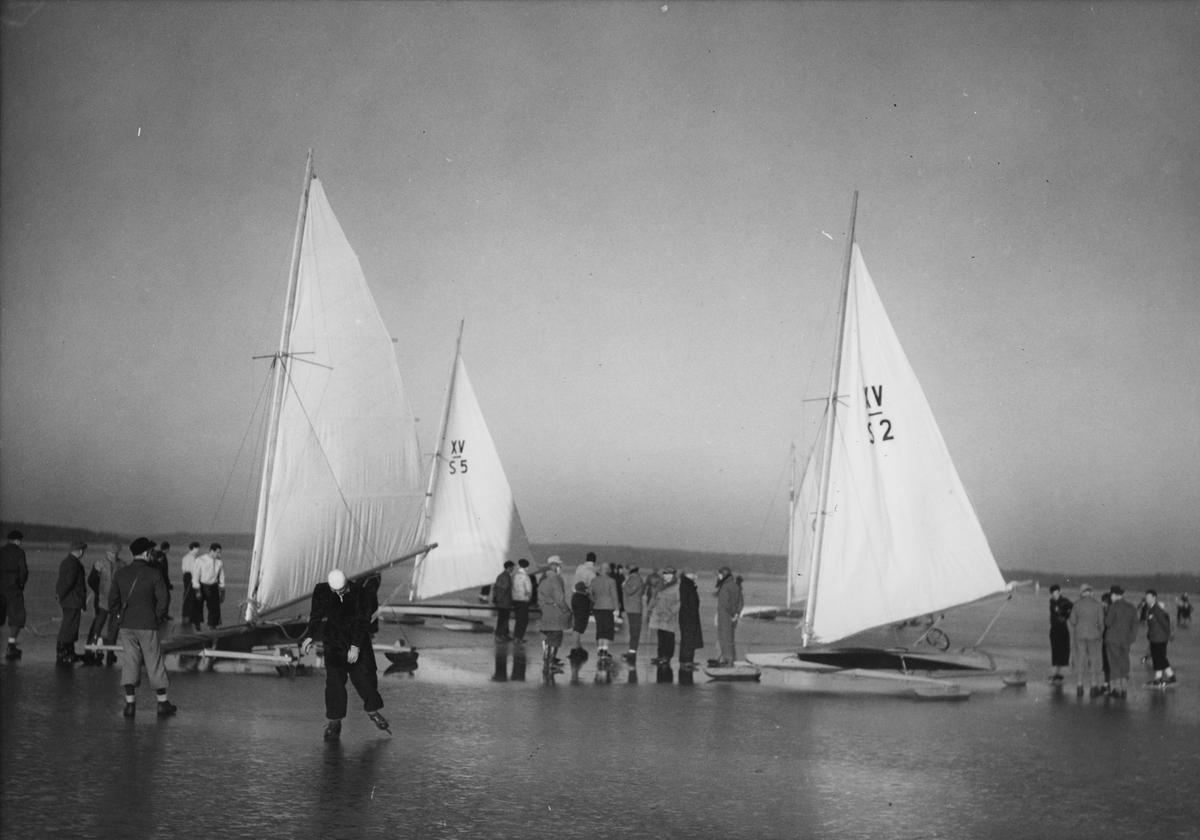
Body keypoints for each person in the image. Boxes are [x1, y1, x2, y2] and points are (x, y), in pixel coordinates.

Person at [300, 569, 389, 741]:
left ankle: (373, 711)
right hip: (334, 642)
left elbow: (363, 621)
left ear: (347, 583)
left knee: (365, 678)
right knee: (334, 683)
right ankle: (334, 722)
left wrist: (355, 646)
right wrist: (309, 636)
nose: (339, 593)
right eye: (335, 591)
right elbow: (316, 614)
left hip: (357, 640)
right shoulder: (321, 591)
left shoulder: (361, 594)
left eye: (342, 590)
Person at [109, 537, 176, 717]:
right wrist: (157, 616)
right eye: (151, 552)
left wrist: (119, 616)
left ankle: (130, 705)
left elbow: (112, 600)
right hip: (148, 625)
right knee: (154, 662)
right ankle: (162, 703)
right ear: (146, 553)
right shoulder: (154, 573)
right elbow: (164, 599)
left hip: (127, 625)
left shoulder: (121, 573)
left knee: (130, 663)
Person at [86, 545, 124, 665]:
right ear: (107, 552)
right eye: (112, 552)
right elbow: (91, 580)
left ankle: (110, 653)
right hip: (101, 601)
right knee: (98, 625)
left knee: (114, 627)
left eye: (116, 552)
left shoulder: (122, 565)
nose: (114, 555)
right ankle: (91, 651)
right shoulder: (99, 564)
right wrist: (99, 591)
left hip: (116, 602)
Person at [55, 542, 89, 666]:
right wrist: (61, 595)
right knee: (69, 626)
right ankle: (62, 652)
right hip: (73, 600)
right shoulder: (74, 564)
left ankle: (69, 651)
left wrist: (59, 595)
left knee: (71, 626)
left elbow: (61, 581)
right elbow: (69, 582)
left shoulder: (66, 561)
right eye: (83, 550)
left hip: (69, 600)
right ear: (80, 551)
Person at [1068, 584, 1104, 697]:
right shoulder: (1098, 604)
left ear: (1082, 593)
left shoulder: (1077, 604)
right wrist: (1100, 634)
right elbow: (1101, 622)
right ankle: (1093, 686)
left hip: (1080, 636)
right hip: (1094, 636)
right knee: (1094, 660)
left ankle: (1079, 686)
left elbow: (1072, 621)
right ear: (1091, 592)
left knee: (1080, 660)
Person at [536, 557, 571, 674]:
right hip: (556, 613)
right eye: (559, 566)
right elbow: (560, 599)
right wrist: (566, 610)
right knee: (555, 637)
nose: (561, 568)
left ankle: (547, 661)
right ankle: (551, 663)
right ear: (556, 567)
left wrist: (544, 608)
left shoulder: (543, 580)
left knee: (548, 636)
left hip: (546, 612)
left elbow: (539, 599)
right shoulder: (556, 580)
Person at [1104, 585, 1139, 698]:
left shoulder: (1113, 607)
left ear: (1114, 595)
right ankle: (1124, 688)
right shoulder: (1131, 607)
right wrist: (1131, 638)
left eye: (1111, 595)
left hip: (1112, 640)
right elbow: (1135, 624)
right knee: (1124, 663)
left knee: (1114, 664)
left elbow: (1108, 622)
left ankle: (1117, 689)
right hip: (1125, 640)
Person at [1, 530, 29, 660]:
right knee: (17, 617)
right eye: (20, 541)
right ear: (17, 541)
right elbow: (23, 571)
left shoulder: (1, 551)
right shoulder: (19, 552)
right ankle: (11, 647)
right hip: (13, 589)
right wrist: (21, 583)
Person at [647, 567, 681, 665]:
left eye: (668, 574)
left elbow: (679, 602)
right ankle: (660, 655)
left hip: (669, 615)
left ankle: (667, 656)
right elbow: (654, 597)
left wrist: (671, 612)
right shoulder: (660, 585)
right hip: (659, 614)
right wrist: (650, 608)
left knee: (669, 635)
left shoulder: (677, 587)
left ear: (673, 575)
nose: (665, 575)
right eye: (665, 573)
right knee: (661, 635)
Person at [1144, 590, 1176, 688]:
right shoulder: (1151, 609)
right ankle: (1170, 677)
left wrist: (1169, 635)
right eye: (1146, 597)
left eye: (1149, 597)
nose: (1147, 599)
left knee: (1158, 658)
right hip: (1155, 638)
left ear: (1154, 598)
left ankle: (1158, 679)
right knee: (1160, 658)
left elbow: (1165, 624)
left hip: (1159, 639)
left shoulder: (1156, 609)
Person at [713, 566, 744, 666]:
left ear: (724, 575)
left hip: (725, 617)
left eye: (719, 575)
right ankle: (729, 661)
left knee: (725, 640)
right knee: (730, 639)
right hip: (732, 618)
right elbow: (741, 602)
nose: (718, 577)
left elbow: (725, 604)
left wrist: (732, 613)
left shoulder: (725, 587)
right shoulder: (735, 586)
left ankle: (727, 662)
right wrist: (737, 613)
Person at [588, 562, 619, 660]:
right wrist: (617, 608)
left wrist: (595, 600)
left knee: (600, 628)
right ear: (608, 570)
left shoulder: (594, 580)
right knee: (607, 629)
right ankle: (605, 650)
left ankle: (600, 649)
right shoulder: (611, 581)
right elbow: (614, 595)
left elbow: (589, 594)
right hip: (608, 607)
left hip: (597, 607)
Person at [193, 543, 226, 628]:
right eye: (218, 552)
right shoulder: (200, 559)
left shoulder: (219, 562)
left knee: (214, 608)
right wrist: (197, 591)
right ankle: (197, 626)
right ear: (212, 551)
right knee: (198, 606)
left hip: (213, 586)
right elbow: (196, 575)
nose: (219, 554)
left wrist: (222, 592)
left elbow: (221, 577)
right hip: (202, 585)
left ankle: (212, 626)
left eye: (220, 552)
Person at [678, 572, 704, 670]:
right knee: (688, 639)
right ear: (688, 575)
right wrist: (691, 612)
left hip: (688, 616)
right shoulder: (686, 585)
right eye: (693, 574)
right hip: (688, 617)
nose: (696, 575)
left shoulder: (687, 584)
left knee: (688, 638)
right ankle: (687, 662)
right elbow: (685, 601)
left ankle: (686, 661)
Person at [1047, 584, 1072, 683]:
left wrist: (1065, 616)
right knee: (1055, 651)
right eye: (1053, 594)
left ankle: (1059, 673)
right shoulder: (1052, 601)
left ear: (1060, 592)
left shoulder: (1064, 601)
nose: (1055, 595)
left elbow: (1073, 608)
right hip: (1054, 628)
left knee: (1063, 651)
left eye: (1057, 593)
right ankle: (1056, 673)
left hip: (1062, 628)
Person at [622, 565, 646, 661]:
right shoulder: (633, 578)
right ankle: (631, 650)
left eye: (626, 569)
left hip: (634, 608)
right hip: (632, 608)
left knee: (634, 630)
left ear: (630, 570)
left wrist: (624, 584)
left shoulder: (636, 579)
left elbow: (629, 591)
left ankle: (632, 651)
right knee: (633, 630)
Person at [179, 541, 203, 632]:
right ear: (193, 549)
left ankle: (185, 616)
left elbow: (183, 569)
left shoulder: (185, 557)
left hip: (186, 576)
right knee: (190, 597)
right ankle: (188, 617)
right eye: (197, 548)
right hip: (191, 577)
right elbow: (194, 570)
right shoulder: (193, 558)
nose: (198, 550)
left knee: (187, 595)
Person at [148, 541, 173, 619]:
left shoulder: (156, 554)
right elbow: (164, 572)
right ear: (167, 549)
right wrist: (167, 584)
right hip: (161, 581)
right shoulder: (161, 557)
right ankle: (162, 614)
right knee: (165, 597)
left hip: (157, 580)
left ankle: (161, 614)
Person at [511, 558, 533, 642]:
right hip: (523, 600)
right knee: (523, 620)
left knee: (518, 619)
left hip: (515, 599)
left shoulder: (514, 575)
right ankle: (519, 637)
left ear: (518, 566)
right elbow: (529, 590)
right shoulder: (526, 577)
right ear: (527, 567)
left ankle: (516, 636)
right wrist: (529, 599)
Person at [492, 561, 514, 641]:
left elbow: (495, 588)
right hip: (505, 602)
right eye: (512, 567)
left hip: (502, 601)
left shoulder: (501, 575)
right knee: (503, 619)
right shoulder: (506, 577)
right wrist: (500, 600)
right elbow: (504, 589)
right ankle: (499, 635)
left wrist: (496, 599)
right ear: (509, 567)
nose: (513, 569)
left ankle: (505, 634)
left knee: (503, 618)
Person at [569, 581, 592, 659]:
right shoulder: (583, 597)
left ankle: (576, 646)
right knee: (577, 630)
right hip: (581, 616)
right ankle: (575, 647)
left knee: (576, 630)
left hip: (577, 615)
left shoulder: (575, 596)